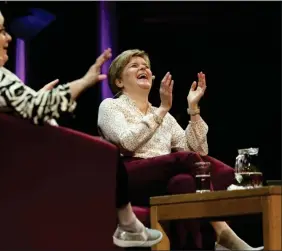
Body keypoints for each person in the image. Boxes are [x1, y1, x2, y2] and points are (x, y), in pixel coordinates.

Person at [0, 3, 162, 248]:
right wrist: (83, 82)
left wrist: (31, 102)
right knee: (107, 155)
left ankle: (128, 223)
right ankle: (127, 224)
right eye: (0, 32)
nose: (8, 37)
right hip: (17, 175)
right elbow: (40, 108)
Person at [98, 49, 263, 250]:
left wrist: (193, 109)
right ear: (119, 82)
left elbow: (198, 150)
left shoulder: (165, 117)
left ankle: (206, 242)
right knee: (193, 163)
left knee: (184, 182)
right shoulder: (110, 106)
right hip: (128, 174)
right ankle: (225, 234)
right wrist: (161, 110)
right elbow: (126, 142)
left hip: (163, 178)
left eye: (146, 66)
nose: (143, 68)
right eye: (134, 66)